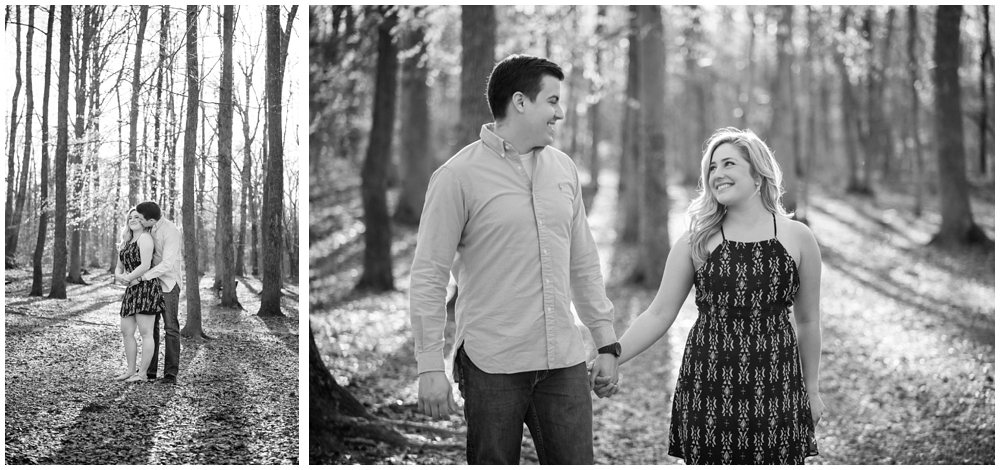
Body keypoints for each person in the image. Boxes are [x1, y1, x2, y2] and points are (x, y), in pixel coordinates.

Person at [409, 54, 620, 464]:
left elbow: (583, 262)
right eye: (553, 101)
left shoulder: (564, 169)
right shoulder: (457, 177)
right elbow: (429, 275)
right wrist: (428, 365)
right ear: (520, 102)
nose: (559, 113)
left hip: (564, 364)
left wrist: (605, 340)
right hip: (493, 364)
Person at [598, 128, 824, 464]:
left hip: (778, 386)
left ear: (758, 173)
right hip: (710, 387)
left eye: (728, 164)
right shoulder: (696, 241)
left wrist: (813, 389)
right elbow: (659, 314)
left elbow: (807, 320)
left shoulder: (798, 237)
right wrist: (613, 355)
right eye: (712, 168)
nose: (717, 174)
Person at [130, 201, 183, 385]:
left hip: (168, 283)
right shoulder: (147, 229)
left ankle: (170, 374)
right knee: (151, 327)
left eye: (141, 218)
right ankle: (149, 370)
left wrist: (143, 277)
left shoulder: (171, 231)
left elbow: (167, 264)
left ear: (151, 219)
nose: (138, 220)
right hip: (152, 285)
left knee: (171, 328)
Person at [113, 209, 165, 382]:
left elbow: (144, 265)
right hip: (131, 289)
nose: (133, 219)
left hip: (146, 288)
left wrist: (127, 278)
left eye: (137, 217)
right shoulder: (126, 242)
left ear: (143, 221)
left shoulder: (145, 238)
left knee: (146, 332)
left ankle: (142, 374)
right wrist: (119, 276)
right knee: (126, 331)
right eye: (130, 217)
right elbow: (118, 267)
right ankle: (130, 370)